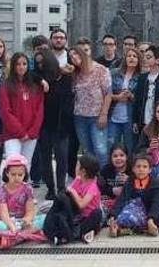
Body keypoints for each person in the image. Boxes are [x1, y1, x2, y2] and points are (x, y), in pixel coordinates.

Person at [35, 51, 74, 201]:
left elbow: (69, 102)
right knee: (45, 159)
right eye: (37, 63)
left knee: (61, 158)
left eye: (42, 62)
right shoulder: (39, 79)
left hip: (61, 125)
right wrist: (41, 80)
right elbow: (30, 74)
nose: (40, 66)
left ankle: (61, 187)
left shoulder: (64, 78)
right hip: (43, 126)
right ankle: (51, 188)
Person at [69, 44, 112, 167]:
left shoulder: (101, 69)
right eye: (71, 56)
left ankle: (104, 179)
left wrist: (104, 114)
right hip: (80, 116)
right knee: (88, 151)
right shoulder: (75, 73)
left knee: (101, 150)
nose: (74, 58)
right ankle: (91, 181)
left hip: (97, 116)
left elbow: (108, 94)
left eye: (76, 54)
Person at [0, 154, 45, 248]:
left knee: (44, 218)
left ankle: (14, 238)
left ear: (24, 175)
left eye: (20, 175)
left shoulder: (27, 188)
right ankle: (22, 236)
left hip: (23, 222)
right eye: (13, 174)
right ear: (7, 173)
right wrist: (12, 226)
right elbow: (4, 214)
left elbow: (30, 211)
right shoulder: (1, 190)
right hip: (7, 222)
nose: (16, 178)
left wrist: (26, 220)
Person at [107, 153, 159, 237]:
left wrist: (151, 219)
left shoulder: (154, 184)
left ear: (150, 170)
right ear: (133, 169)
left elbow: (156, 203)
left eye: (144, 167)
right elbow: (122, 200)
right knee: (127, 215)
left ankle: (142, 227)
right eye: (138, 166)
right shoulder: (129, 183)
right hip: (132, 211)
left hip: (148, 213)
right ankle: (120, 228)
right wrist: (113, 216)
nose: (141, 169)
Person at [59, 153, 102, 244]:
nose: (76, 167)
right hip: (78, 216)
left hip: (88, 217)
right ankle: (72, 232)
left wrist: (73, 192)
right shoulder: (78, 180)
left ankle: (76, 233)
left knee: (97, 213)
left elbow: (82, 204)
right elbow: (68, 192)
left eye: (78, 165)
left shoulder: (93, 186)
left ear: (83, 171)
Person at [133, 45, 159, 134]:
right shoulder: (142, 78)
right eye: (144, 57)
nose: (145, 59)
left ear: (157, 60)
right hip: (143, 118)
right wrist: (135, 120)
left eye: (148, 57)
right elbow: (137, 100)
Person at [109, 48, 140, 152]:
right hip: (113, 117)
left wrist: (131, 96)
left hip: (130, 119)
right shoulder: (114, 73)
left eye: (135, 56)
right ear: (125, 58)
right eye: (129, 56)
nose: (132, 58)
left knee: (130, 148)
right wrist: (118, 97)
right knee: (112, 147)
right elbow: (105, 94)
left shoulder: (141, 77)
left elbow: (141, 100)